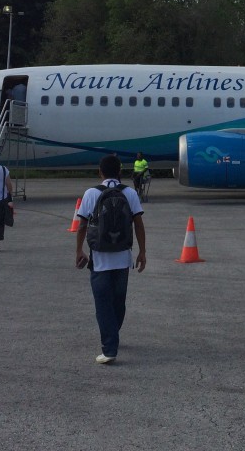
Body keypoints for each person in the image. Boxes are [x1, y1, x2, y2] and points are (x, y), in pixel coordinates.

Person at [75, 154, 146, 365]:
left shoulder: (91, 193)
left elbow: (82, 225)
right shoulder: (130, 193)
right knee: (118, 301)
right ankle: (113, 333)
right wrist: (142, 251)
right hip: (123, 258)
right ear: (121, 172)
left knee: (103, 303)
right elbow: (139, 224)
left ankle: (109, 349)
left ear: (100, 172)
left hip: (100, 258)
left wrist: (79, 250)